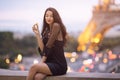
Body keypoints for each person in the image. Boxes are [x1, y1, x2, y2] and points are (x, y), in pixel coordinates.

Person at [26, 7, 68, 80]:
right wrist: (38, 34)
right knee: (37, 77)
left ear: (55, 17)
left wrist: (41, 62)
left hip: (59, 65)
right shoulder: (46, 31)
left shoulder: (56, 26)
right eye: (46, 15)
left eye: (51, 16)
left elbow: (48, 46)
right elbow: (43, 50)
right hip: (49, 63)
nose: (48, 18)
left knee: (33, 67)